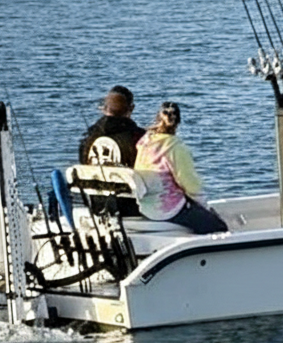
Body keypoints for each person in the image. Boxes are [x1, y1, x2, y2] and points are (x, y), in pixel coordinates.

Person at [134, 102, 228, 234]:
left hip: (146, 207)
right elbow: (189, 183)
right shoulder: (175, 147)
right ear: (178, 122)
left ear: (157, 118)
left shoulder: (145, 142)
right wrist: (204, 207)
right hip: (169, 210)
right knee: (219, 227)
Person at [78, 85, 144, 167]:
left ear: (104, 108)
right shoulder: (139, 137)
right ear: (131, 108)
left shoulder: (90, 135)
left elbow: (82, 161)